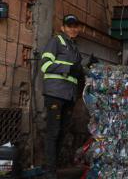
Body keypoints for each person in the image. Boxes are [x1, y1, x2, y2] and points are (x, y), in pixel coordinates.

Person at [40, 14, 84, 179]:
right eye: (69, 25)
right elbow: (45, 65)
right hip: (55, 93)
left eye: (75, 26)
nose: (73, 28)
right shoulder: (56, 41)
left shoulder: (74, 48)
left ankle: (51, 168)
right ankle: (49, 172)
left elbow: (76, 73)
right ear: (63, 27)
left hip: (69, 96)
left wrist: (87, 67)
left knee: (61, 133)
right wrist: (68, 69)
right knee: (53, 132)